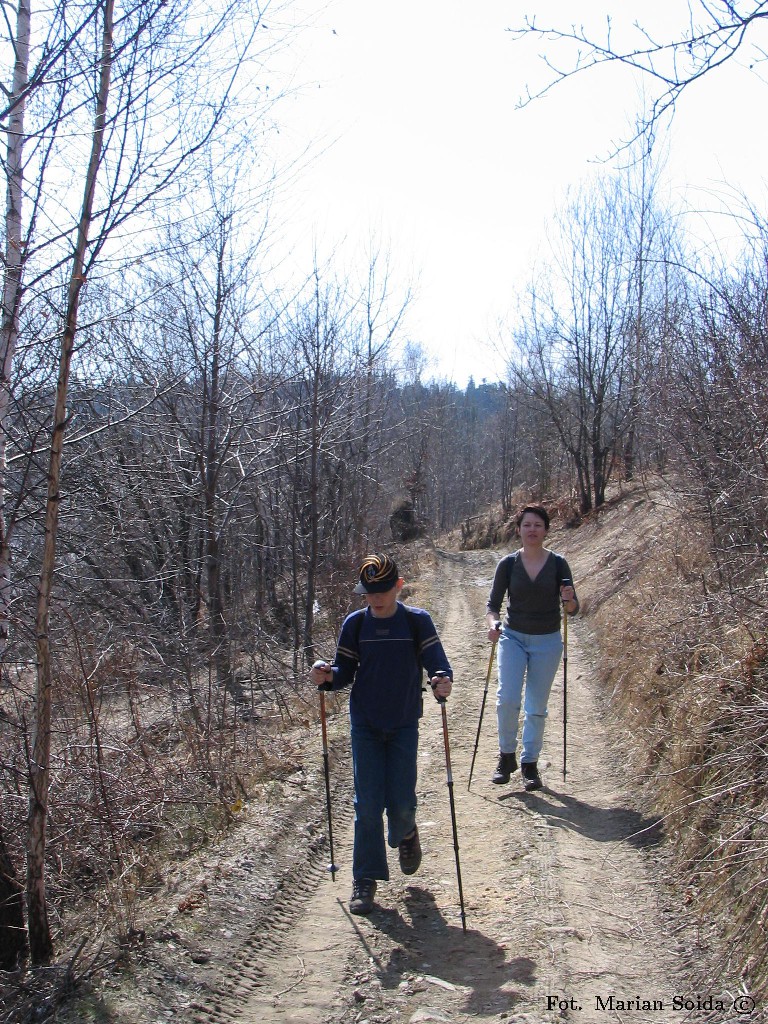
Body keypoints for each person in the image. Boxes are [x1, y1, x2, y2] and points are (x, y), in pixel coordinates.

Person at [309, 553, 453, 916]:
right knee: (367, 804)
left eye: (383, 590)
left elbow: (438, 662)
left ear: (398, 586)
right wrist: (327, 676)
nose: (376, 598)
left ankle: (406, 832)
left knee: (401, 802)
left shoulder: (416, 622)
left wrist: (441, 681)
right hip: (366, 725)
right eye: (369, 592)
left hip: (404, 721)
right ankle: (365, 879)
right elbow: (343, 672)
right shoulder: (356, 625)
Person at [485, 504, 578, 792]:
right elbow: (493, 605)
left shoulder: (559, 564)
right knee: (507, 699)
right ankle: (506, 757)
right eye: (527, 525)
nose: (532, 530)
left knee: (536, 707)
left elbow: (573, 609)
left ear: (546, 530)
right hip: (512, 636)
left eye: (538, 525)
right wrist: (494, 624)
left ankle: (529, 765)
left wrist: (569, 599)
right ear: (518, 530)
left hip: (547, 640)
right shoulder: (508, 564)